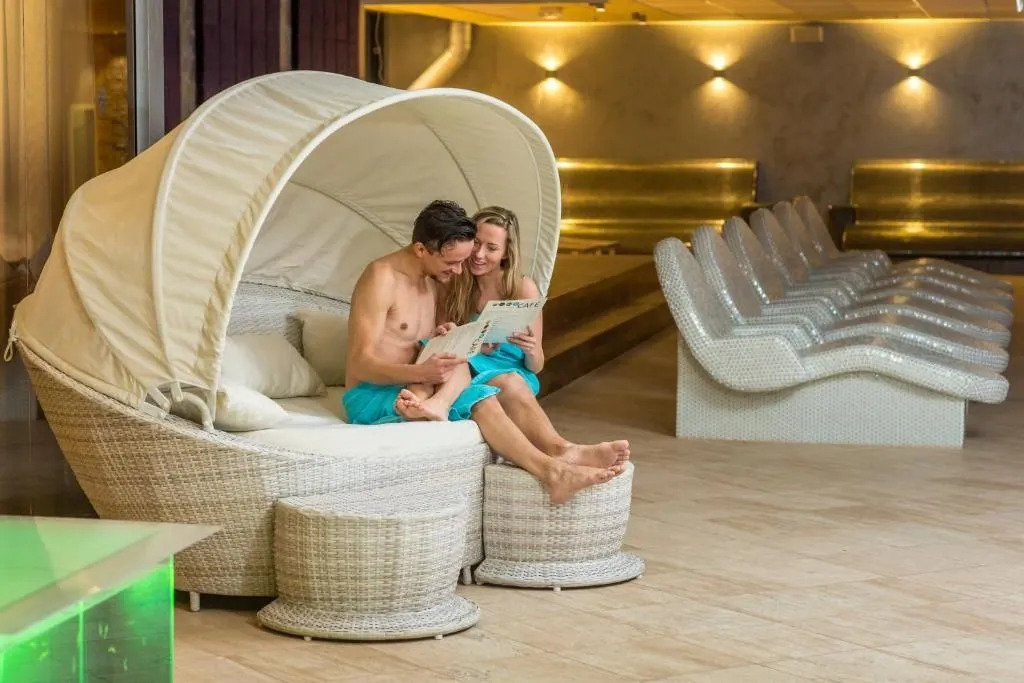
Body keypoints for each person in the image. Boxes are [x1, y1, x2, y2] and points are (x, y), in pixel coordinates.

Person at [343, 199, 622, 504]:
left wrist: (447, 336)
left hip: (416, 384)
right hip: (373, 395)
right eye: (452, 262)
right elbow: (359, 363)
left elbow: (416, 343)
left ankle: (556, 469)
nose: (460, 269)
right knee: (486, 388)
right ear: (422, 250)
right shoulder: (381, 278)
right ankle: (555, 468)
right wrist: (420, 372)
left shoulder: (432, 280)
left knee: (484, 397)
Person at [441, 206, 630, 471]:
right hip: (469, 366)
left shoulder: (522, 288)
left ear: (507, 252)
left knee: (512, 379)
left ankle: (563, 451)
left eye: (491, 248)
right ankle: (564, 451)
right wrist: (474, 343)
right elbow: (441, 339)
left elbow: (537, 365)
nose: (480, 254)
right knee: (508, 381)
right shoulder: (455, 286)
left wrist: (531, 350)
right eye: (477, 243)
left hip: (515, 372)